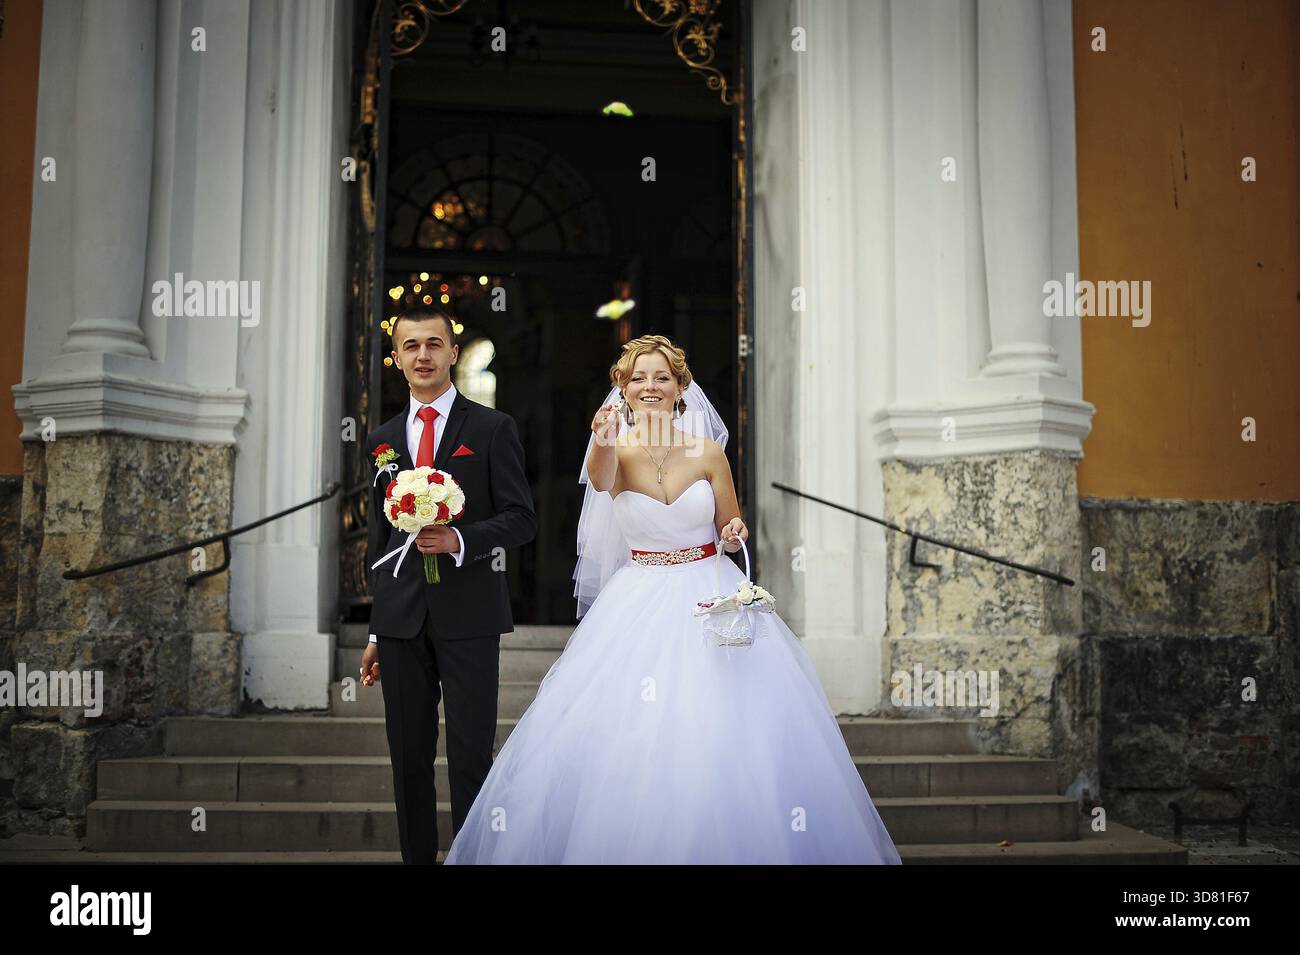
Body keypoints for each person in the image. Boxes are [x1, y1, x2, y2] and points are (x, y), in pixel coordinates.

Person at [443, 334, 900, 864]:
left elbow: (731, 520)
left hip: (711, 589)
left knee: (727, 726)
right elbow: (599, 479)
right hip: (639, 598)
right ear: (623, 387)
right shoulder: (611, 450)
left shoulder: (708, 452)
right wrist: (602, 439)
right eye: (637, 377)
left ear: (681, 386)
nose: (650, 386)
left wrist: (731, 533)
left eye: (661, 377)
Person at [361, 307, 536, 865]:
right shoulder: (382, 441)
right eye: (409, 346)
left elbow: (521, 518)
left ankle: (471, 857)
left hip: (470, 617)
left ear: (452, 352)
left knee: (468, 755)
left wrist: (460, 540)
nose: (422, 355)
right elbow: (378, 540)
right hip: (400, 620)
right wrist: (374, 625)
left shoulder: (492, 428)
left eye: (433, 343)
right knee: (408, 756)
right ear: (396, 358)